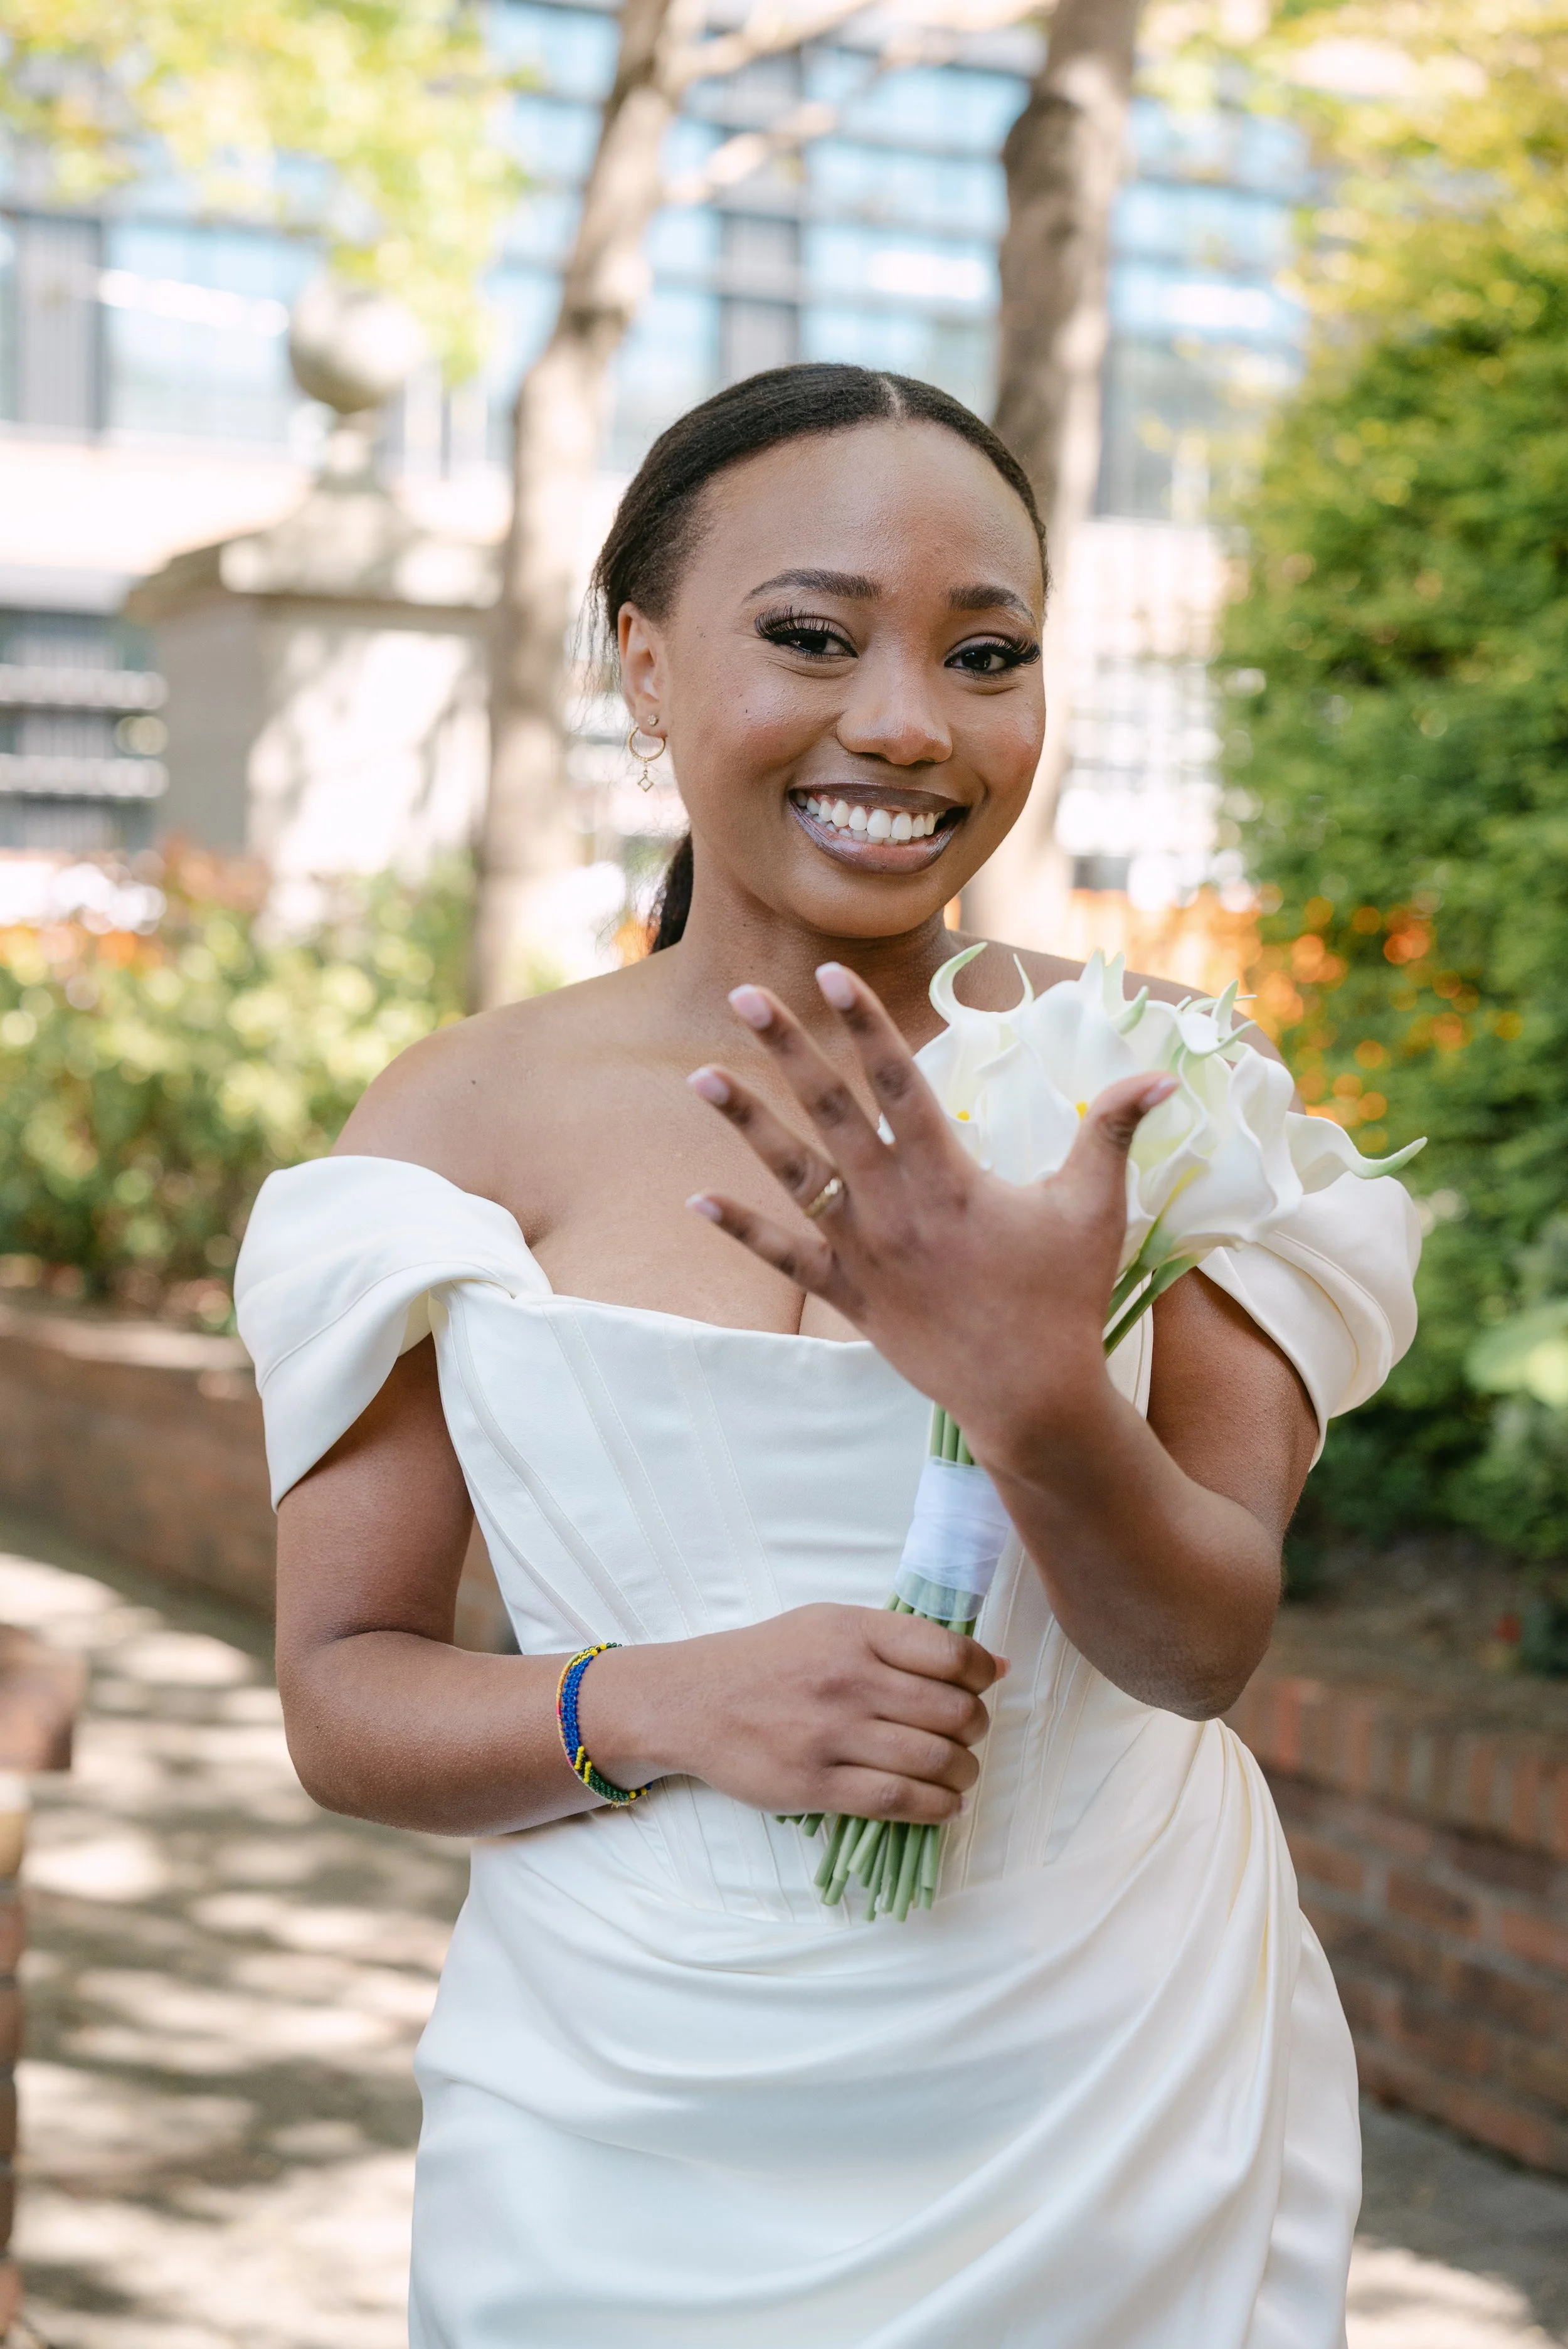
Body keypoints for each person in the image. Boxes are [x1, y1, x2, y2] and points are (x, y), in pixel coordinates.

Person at [235, 363, 1418, 2349]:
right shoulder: (454, 1120)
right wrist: (666, 1703)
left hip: (1103, 2085)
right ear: (642, 657)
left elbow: (1197, 1647)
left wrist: (1033, 1391)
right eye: (810, 637)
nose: (906, 723)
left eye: (986, 654)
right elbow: (343, 1700)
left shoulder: (1170, 1092)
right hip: (613, 2109)